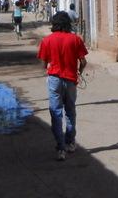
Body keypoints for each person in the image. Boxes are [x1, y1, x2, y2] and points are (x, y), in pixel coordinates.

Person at [37, 12, 88, 161]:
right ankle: (70, 142)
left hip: (54, 79)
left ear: (54, 24)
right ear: (68, 23)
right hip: (71, 79)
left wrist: (49, 67)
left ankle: (60, 148)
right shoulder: (75, 39)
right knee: (70, 111)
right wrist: (79, 71)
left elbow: (43, 63)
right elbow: (83, 61)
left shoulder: (47, 40)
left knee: (56, 112)